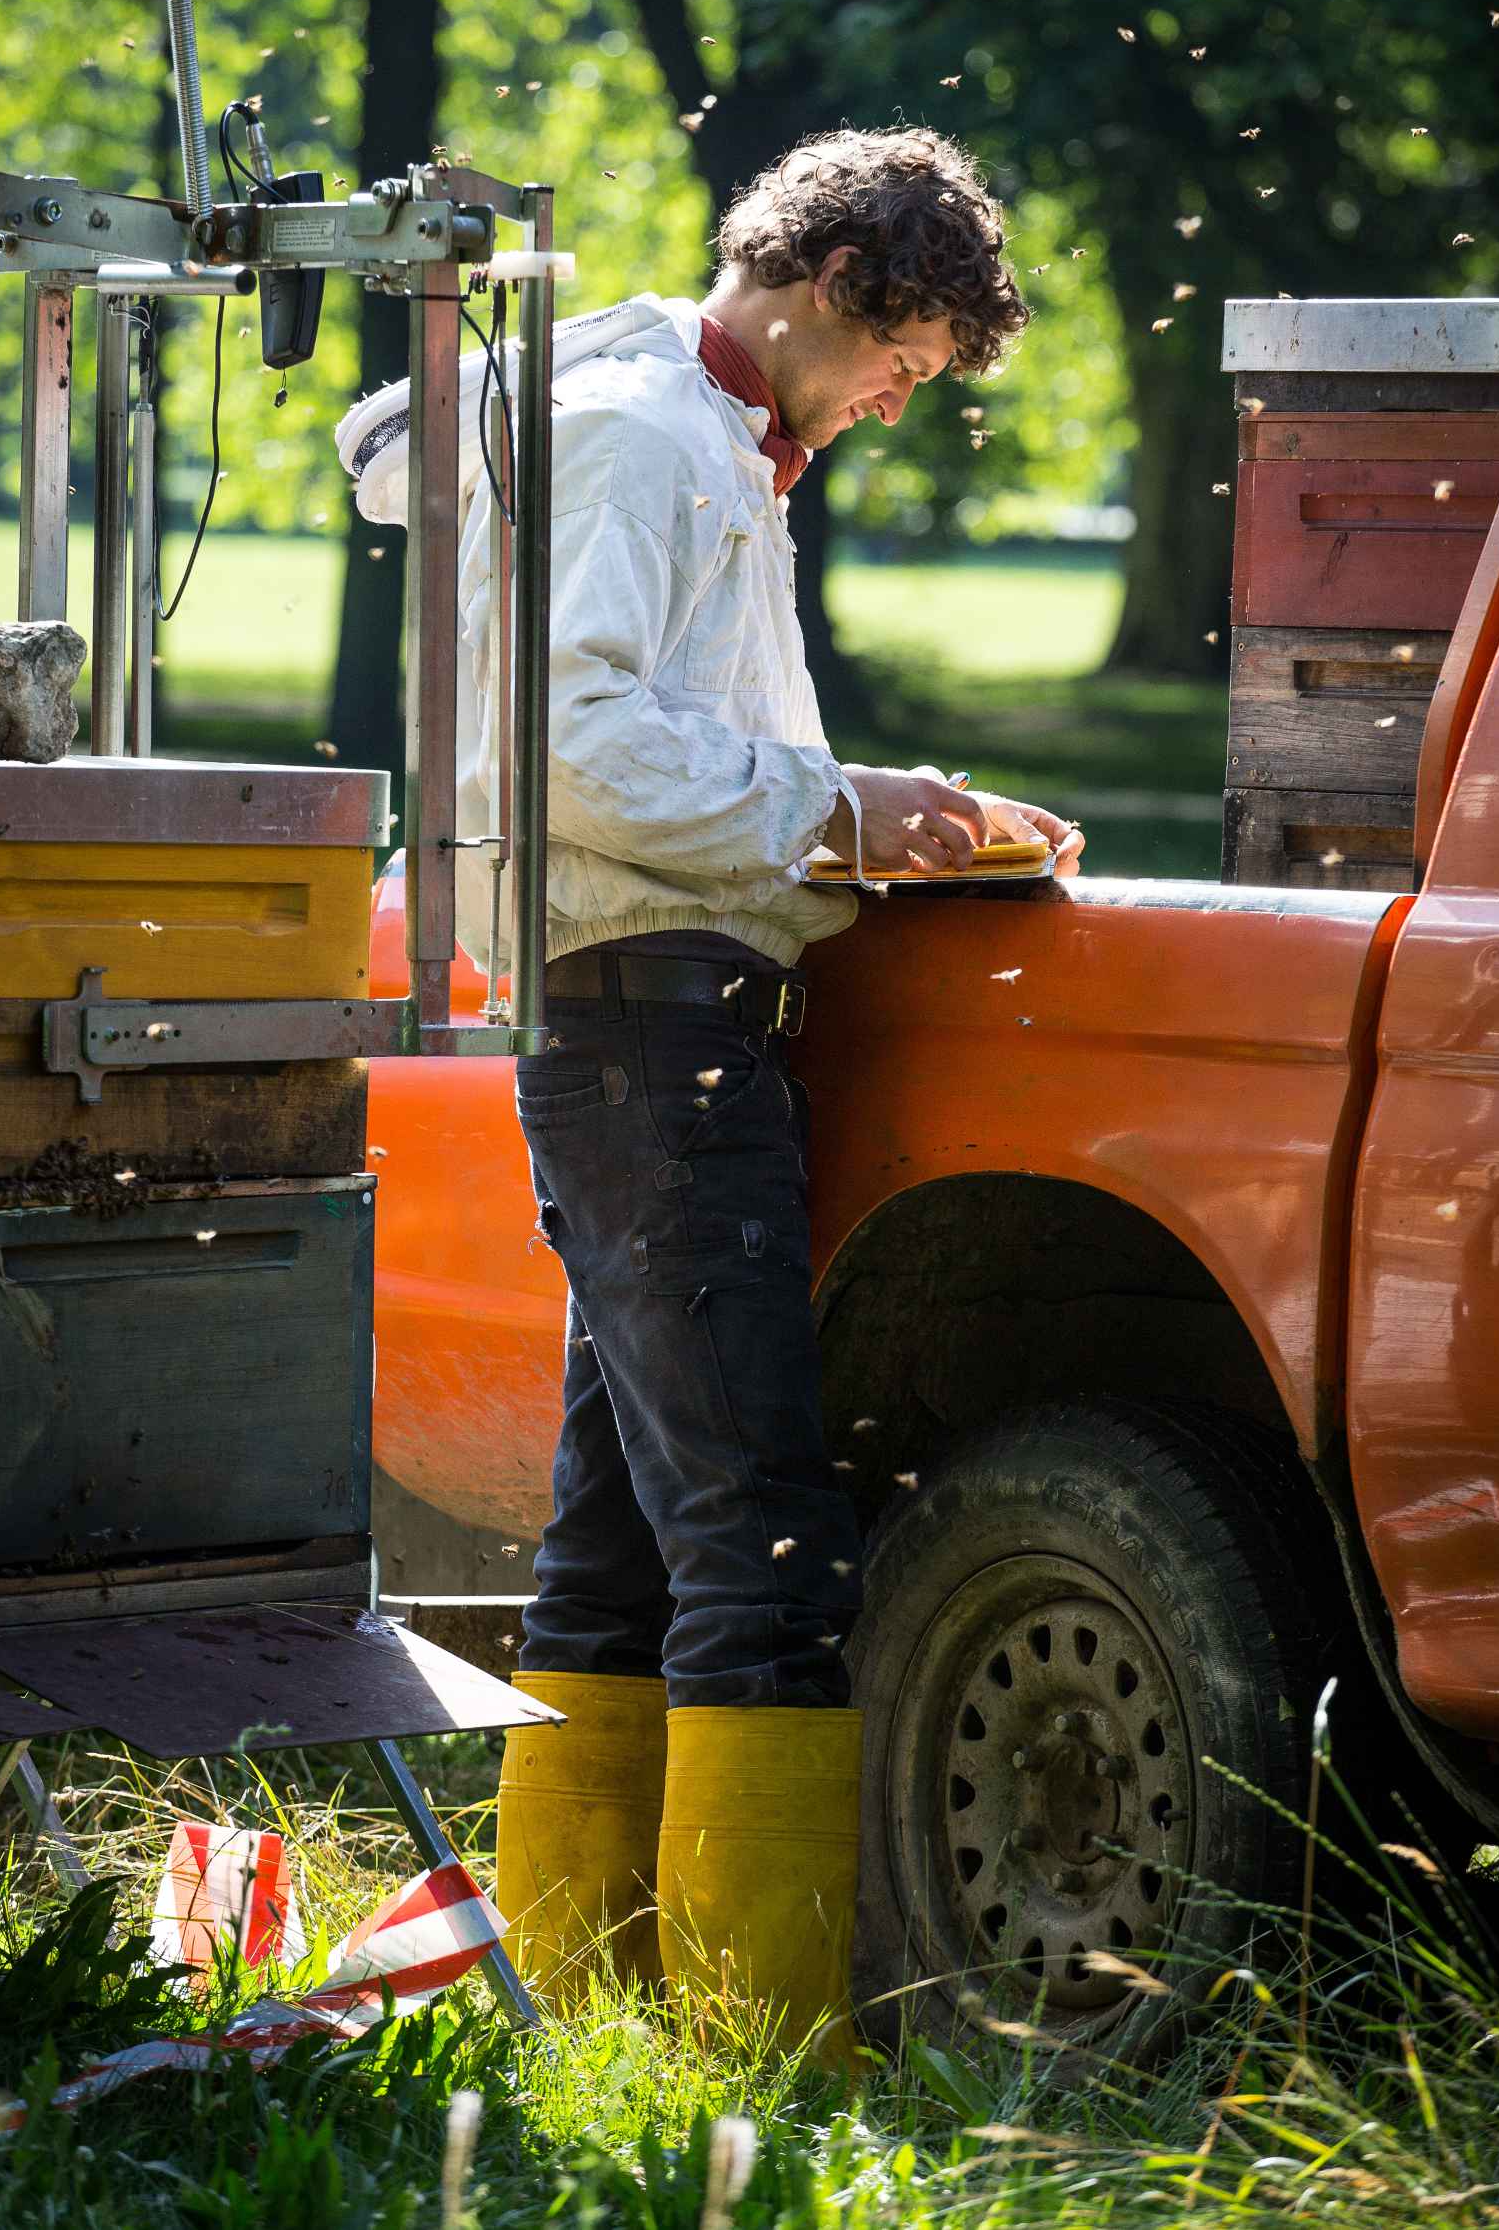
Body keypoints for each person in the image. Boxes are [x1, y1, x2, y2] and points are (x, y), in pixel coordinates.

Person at [471, 126, 1085, 2061]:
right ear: (837, 287)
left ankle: (581, 2013)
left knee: (625, 1534)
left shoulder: (703, 433)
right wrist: (842, 810)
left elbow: (667, 728)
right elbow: (572, 743)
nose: (907, 397)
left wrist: (880, 817)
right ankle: (755, 2059)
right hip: (653, 1024)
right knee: (764, 1528)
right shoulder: (657, 441)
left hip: (654, 1007)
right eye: (907, 357)